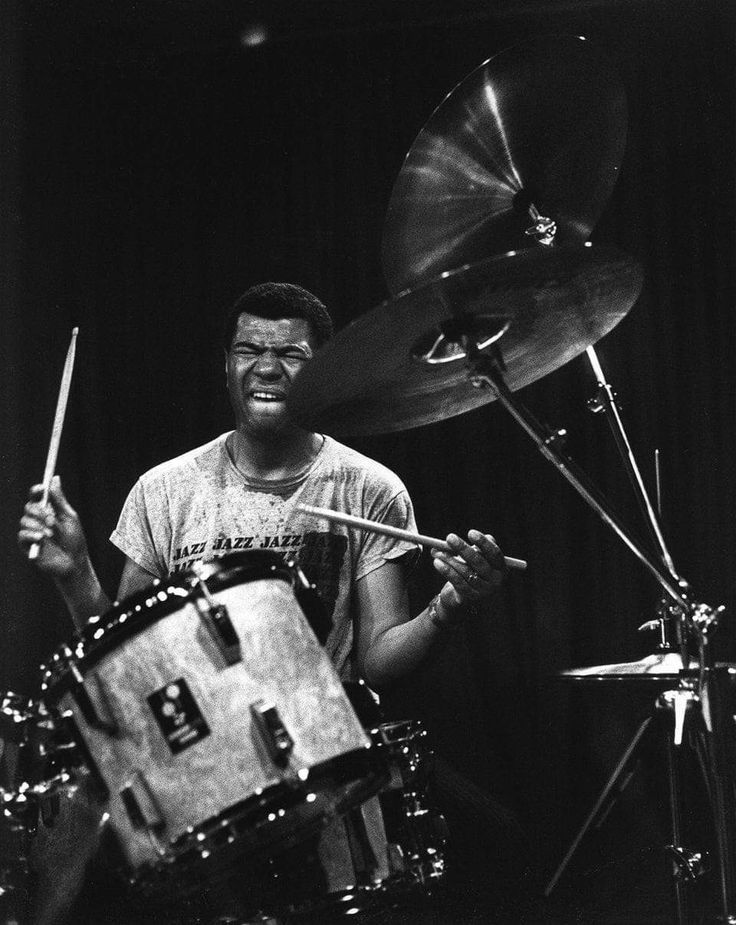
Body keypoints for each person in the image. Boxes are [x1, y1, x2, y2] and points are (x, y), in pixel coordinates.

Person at [19, 282, 507, 691]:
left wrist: (449, 604)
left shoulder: (370, 489)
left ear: (323, 368)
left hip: (324, 755)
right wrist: (77, 574)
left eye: (292, 354)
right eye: (249, 350)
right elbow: (130, 664)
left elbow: (377, 663)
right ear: (226, 365)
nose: (268, 368)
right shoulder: (163, 490)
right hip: (201, 765)